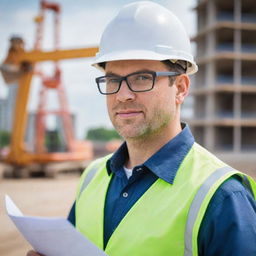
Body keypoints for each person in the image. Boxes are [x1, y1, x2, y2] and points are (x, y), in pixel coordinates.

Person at [27, 2, 256, 256]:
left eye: (142, 78)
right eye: (113, 80)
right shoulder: (92, 177)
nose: (123, 95)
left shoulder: (222, 196)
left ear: (180, 88)